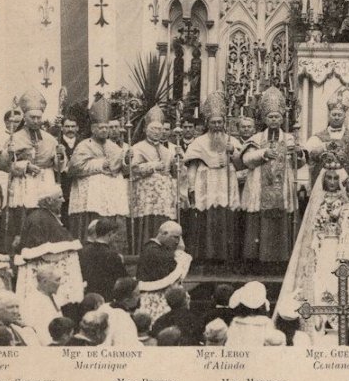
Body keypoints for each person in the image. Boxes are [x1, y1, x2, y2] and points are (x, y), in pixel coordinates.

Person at [274, 155, 349, 345]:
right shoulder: (318, 202)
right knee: (322, 285)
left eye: (335, 179)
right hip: (322, 251)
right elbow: (312, 230)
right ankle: (321, 325)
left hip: (342, 251)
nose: (331, 182)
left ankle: (346, 328)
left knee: (346, 285)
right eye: (328, 178)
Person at [240, 87, 305, 263]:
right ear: (264, 119)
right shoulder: (257, 138)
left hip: (283, 186)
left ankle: (283, 258)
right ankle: (259, 258)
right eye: (270, 117)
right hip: (260, 186)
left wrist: (298, 154)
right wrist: (263, 154)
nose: (274, 120)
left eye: (277, 116)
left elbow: (300, 164)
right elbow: (246, 159)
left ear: (282, 118)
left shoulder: (290, 138)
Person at [0, 88, 67, 242]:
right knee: (24, 217)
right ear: (25, 118)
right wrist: (23, 165)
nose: (36, 121)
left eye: (38, 117)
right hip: (24, 183)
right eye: (32, 117)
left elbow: (59, 168)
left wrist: (60, 156)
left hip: (45, 180)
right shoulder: (16, 138)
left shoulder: (50, 139)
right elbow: (3, 165)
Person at [183, 92, 242, 263]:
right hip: (206, 183)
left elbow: (241, 164)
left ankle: (227, 256)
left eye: (220, 122)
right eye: (213, 122)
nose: (217, 125)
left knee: (226, 216)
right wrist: (192, 187)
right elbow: (192, 165)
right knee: (207, 218)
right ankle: (206, 257)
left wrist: (234, 152)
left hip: (226, 181)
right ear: (207, 123)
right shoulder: (199, 142)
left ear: (224, 123)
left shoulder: (232, 140)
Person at [66, 99, 130, 243]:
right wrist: (100, 165)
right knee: (91, 226)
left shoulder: (114, 147)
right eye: (101, 128)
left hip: (109, 195)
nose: (104, 130)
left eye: (106, 128)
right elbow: (74, 168)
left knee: (108, 226)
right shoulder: (84, 146)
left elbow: (122, 170)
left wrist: (127, 160)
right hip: (90, 196)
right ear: (93, 128)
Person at [15, 183, 84, 308]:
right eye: (59, 197)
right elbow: (39, 252)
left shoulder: (45, 216)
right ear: (48, 200)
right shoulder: (39, 219)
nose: (63, 200)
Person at [129, 106, 180, 254]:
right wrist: (152, 166)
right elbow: (133, 170)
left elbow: (175, 173)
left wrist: (178, 162)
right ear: (145, 129)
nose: (157, 132)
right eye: (153, 129)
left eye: (160, 129)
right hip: (146, 194)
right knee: (148, 224)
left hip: (164, 196)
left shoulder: (169, 151)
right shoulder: (138, 148)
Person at [136, 221, 192, 324]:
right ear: (164, 233)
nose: (178, 242)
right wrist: (180, 252)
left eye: (179, 238)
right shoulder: (153, 250)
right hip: (154, 298)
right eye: (175, 237)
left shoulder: (160, 249)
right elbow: (177, 276)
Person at [304, 93, 349, 186]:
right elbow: (307, 158)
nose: (336, 117)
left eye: (339, 115)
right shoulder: (317, 138)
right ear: (329, 115)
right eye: (334, 114)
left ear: (345, 116)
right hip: (322, 182)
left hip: (345, 182)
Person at [78, 217, 128, 302]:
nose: (115, 238)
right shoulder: (113, 256)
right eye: (115, 235)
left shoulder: (83, 252)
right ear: (110, 234)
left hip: (87, 298)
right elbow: (123, 279)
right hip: (107, 299)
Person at [20, 265, 64, 345]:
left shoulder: (52, 296)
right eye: (57, 280)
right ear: (44, 282)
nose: (60, 283)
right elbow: (41, 334)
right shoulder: (33, 302)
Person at [98, 277, 141, 346]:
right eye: (137, 294)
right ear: (127, 300)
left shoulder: (103, 307)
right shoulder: (124, 320)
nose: (139, 297)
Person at [57, 117, 80, 225]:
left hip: (78, 182)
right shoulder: (56, 142)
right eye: (67, 126)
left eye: (73, 126)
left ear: (77, 128)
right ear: (62, 128)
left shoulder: (83, 143)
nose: (70, 129)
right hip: (63, 183)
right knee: (63, 214)